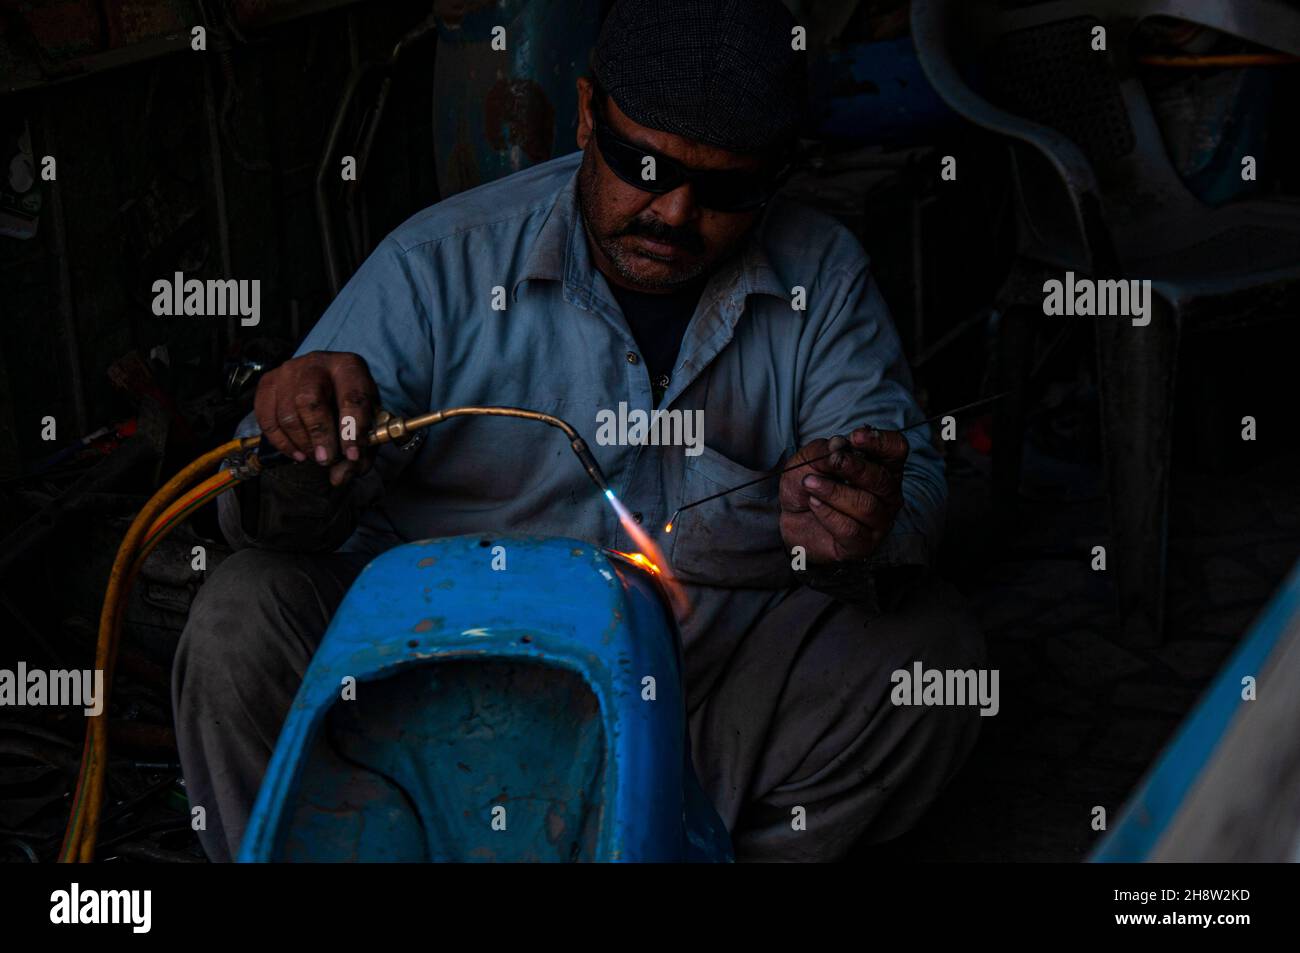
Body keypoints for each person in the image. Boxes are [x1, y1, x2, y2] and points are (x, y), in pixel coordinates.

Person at [174, 0, 984, 862]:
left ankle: (669, 845)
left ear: (779, 174)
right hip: (436, 698)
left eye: (723, 188)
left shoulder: (820, 277)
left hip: (689, 713)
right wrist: (304, 455)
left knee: (930, 655)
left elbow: (916, 500)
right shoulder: (441, 265)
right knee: (239, 618)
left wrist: (863, 525)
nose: (674, 213)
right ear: (586, 110)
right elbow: (255, 513)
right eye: (643, 164)